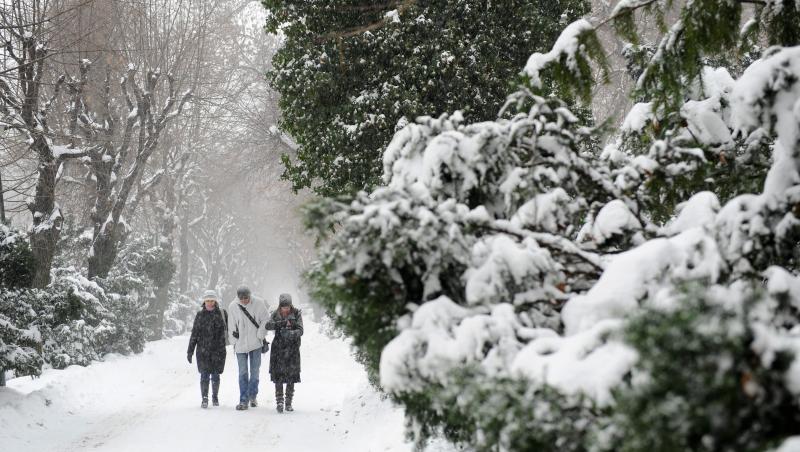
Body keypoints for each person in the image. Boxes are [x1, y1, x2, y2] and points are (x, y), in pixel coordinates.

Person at [228, 285, 269, 411]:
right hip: (240, 345)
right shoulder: (233, 306)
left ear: (250, 295)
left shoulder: (259, 303)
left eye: (246, 298)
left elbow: (266, 320)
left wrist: (260, 334)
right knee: (243, 373)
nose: (244, 300)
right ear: (238, 297)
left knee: (255, 372)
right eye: (242, 298)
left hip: (255, 344)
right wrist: (233, 340)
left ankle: (253, 396)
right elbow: (231, 325)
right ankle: (243, 400)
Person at [187, 289, 228, 409]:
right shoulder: (200, 315)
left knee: (216, 375)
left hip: (218, 350)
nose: (209, 303)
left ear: (215, 301)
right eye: (207, 301)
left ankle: (215, 396)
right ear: (204, 302)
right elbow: (194, 334)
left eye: (212, 300)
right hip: (203, 351)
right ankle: (204, 398)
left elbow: (227, 332)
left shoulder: (221, 314)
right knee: (204, 375)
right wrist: (190, 351)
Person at [265, 293, 303, 413]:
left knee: (291, 375)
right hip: (278, 348)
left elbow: (301, 330)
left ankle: (288, 402)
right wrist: (280, 324)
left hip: (292, 348)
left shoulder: (297, 313)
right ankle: (280, 401)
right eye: (283, 307)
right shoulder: (275, 314)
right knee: (278, 376)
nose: (285, 309)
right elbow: (268, 325)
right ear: (280, 306)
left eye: (287, 307)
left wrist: (291, 334)